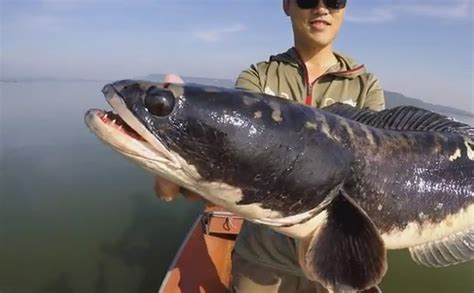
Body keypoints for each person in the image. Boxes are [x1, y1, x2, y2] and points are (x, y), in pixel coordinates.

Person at [155, 0, 385, 292]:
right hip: (262, 262)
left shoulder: (365, 86)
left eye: (334, 0)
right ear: (287, 5)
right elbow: (229, 152)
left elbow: (373, 176)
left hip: (336, 263)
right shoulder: (259, 78)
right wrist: (179, 166)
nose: (322, 8)